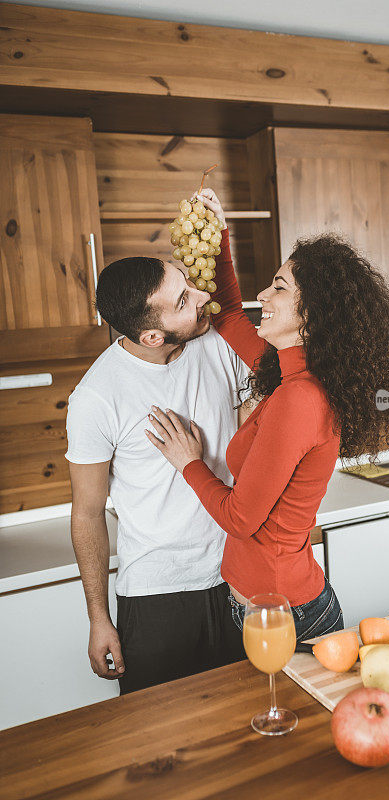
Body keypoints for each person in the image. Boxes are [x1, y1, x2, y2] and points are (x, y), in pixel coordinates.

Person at [146, 188, 389, 642]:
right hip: (270, 607)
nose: (262, 294)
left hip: (289, 613)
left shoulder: (300, 398)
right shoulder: (288, 372)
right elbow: (229, 312)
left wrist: (188, 461)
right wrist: (219, 233)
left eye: (279, 288)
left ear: (311, 314)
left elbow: (239, 519)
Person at [66, 250, 252, 694]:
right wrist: (98, 619)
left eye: (188, 284)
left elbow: (257, 417)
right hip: (157, 598)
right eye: (184, 300)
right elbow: (88, 513)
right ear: (152, 335)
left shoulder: (218, 345)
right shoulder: (96, 396)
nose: (203, 296)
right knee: (159, 748)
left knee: (251, 725)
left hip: (239, 581)